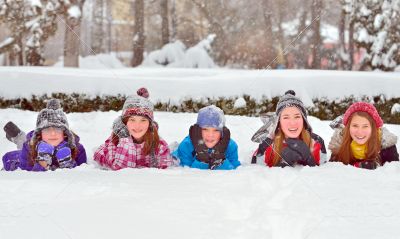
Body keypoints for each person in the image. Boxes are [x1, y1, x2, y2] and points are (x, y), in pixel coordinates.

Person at [94, 88, 173, 170]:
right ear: (124, 122)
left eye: (143, 120)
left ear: (150, 124)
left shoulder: (159, 144)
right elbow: (121, 170)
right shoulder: (115, 141)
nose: (137, 126)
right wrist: (125, 138)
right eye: (132, 120)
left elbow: (165, 171)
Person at [2, 99, 87, 171]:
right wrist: (41, 164)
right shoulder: (28, 147)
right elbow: (24, 172)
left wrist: (68, 163)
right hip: (32, 146)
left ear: (64, 133)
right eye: (47, 130)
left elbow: (82, 173)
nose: (53, 133)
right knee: (20, 148)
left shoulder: (77, 149)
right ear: (40, 133)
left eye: (57, 129)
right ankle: (19, 137)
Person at [251, 90, 326, 167]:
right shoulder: (269, 144)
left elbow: (324, 171)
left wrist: (309, 160)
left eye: (297, 117)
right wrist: (281, 164)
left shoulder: (317, 142)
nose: (292, 123)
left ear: (304, 120)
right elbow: (256, 168)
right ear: (279, 121)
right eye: (286, 117)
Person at [329, 102, 399, 169]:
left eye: (365, 126)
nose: (360, 132)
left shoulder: (386, 147)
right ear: (348, 127)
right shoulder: (340, 144)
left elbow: (393, 176)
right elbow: (332, 173)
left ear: (373, 128)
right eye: (355, 126)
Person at [172, 105, 240, 170]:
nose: (210, 135)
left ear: (222, 132)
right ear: (198, 130)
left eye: (216, 130)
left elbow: (234, 172)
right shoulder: (186, 146)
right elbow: (187, 174)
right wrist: (202, 159)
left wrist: (219, 159)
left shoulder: (231, 146)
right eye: (205, 129)